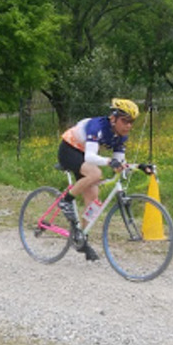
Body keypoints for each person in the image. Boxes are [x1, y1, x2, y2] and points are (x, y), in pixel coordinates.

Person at [57, 97, 139, 261]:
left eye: (132, 122)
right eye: (125, 121)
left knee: (94, 199)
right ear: (113, 118)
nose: (128, 126)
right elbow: (90, 156)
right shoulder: (97, 126)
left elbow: (120, 161)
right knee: (95, 173)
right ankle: (65, 201)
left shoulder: (121, 136)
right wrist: (109, 161)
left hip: (83, 154)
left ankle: (82, 239)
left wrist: (138, 166)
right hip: (69, 149)